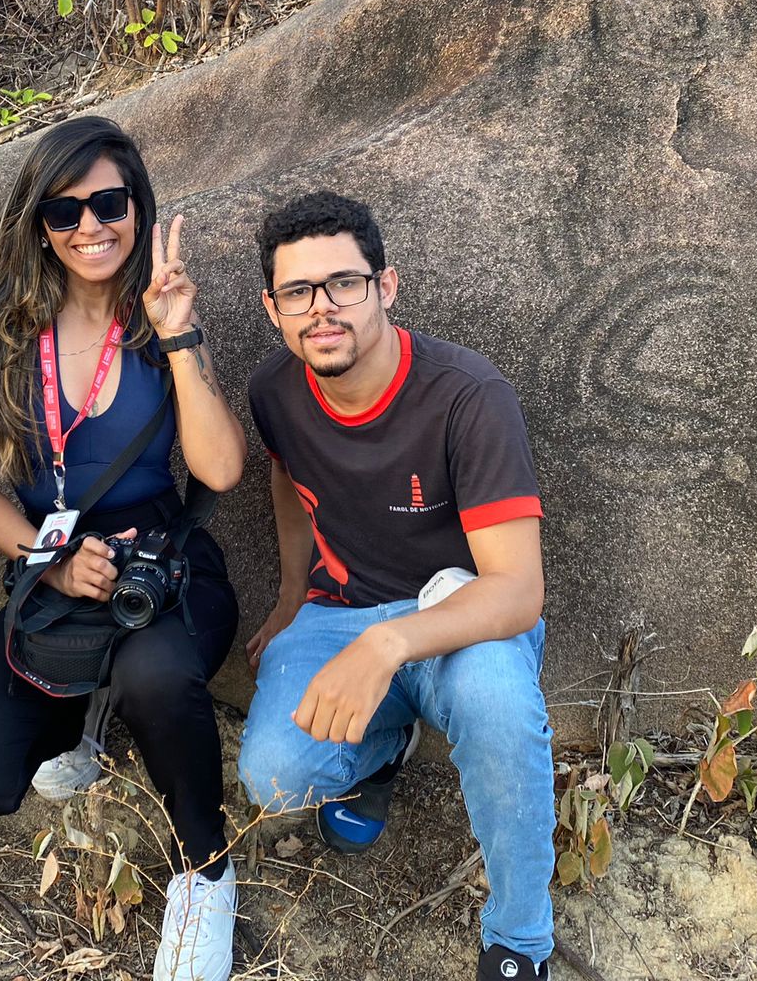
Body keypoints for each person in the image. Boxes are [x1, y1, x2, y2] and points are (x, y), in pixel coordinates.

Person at [0, 117, 246, 981]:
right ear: (39, 222)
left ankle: (207, 873)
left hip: (162, 570)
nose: (90, 226)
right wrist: (47, 561)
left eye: (110, 202)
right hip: (52, 578)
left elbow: (221, 467)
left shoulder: (156, 317)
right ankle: (85, 717)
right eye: (67, 210)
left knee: (154, 677)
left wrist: (178, 331)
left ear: (137, 207)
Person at [236, 192, 556, 981]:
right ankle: (384, 746)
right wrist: (288, 599)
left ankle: (521, 940)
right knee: (271, 778)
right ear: (272, 307)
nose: (322, 309)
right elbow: (287, 482)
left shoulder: (467, 396)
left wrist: (391, 642)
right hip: (338, 610)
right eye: (298, 293)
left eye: (343, 283)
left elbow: (518, 592)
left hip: (461, 611)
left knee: (498, 710)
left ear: (387, 286)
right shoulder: (275, 391)